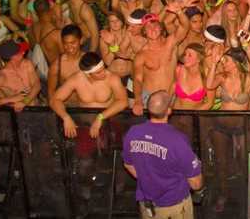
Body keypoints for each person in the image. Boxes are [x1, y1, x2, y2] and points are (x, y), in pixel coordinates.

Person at [123, 90, 203, 219]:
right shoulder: (177, 140)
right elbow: (195, 181)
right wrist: (199, 191)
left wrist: (148, 179)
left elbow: (128, 164)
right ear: (169, 110)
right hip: (174, 206)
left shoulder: (133, 132)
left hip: (147, 204)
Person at [50, 51, 129, 138]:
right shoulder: (76, 79)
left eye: (103, 68)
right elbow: (54, 100)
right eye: (98, 72)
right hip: (84, 125)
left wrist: (100, 117)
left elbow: (123, 101)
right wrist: (66, 117)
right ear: (87, 75)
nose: (104, 73)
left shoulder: (112, 78)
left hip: (108, 123)